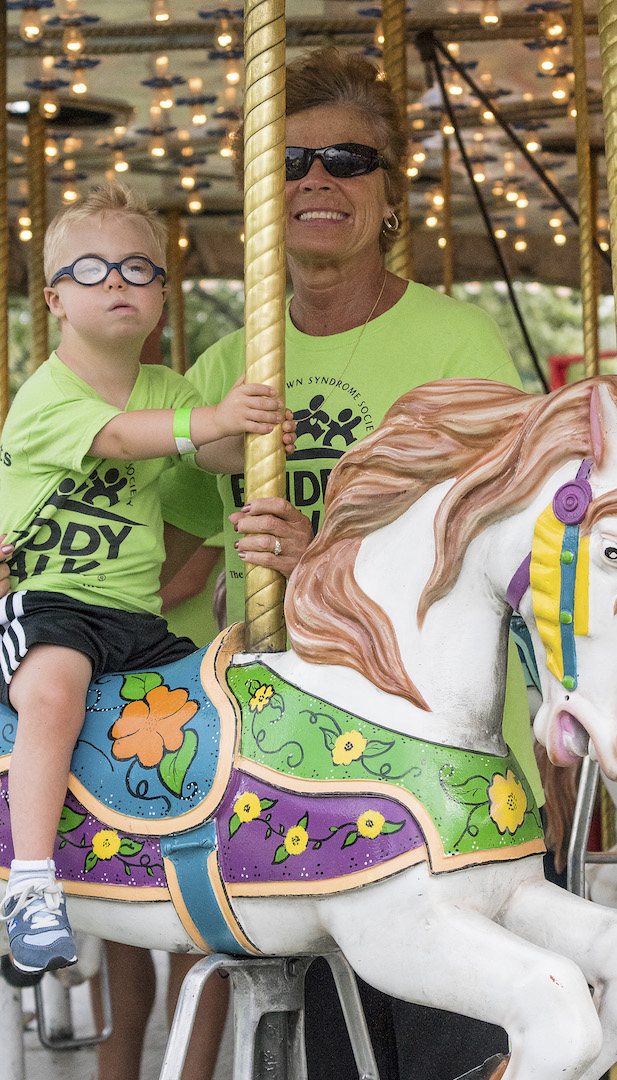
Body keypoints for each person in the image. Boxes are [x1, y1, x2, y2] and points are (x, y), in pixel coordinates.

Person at [155, 46, 540, 1080]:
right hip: (286, 785)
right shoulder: (233, 368)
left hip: (437, 784)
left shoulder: (459, 347)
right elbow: (174, 571)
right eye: (291, 163)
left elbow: (506, 563)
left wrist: (317, 557)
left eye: (347, 160)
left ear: (391, 193)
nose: (317, 180)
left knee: (458, 1054)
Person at [0, 180, 295, 976]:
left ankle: (213, 851)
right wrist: (216, 420)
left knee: (218, 700)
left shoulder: (170, 388)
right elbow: (127, 441)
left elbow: (213, 455)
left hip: (136, 615)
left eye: (138, 269)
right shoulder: (44, 395)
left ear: (164, 295)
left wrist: (259, 434)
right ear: (55, 299)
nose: (118, 283)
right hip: (48, 601)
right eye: (91, 270)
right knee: (55, 689)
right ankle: (30, 884)